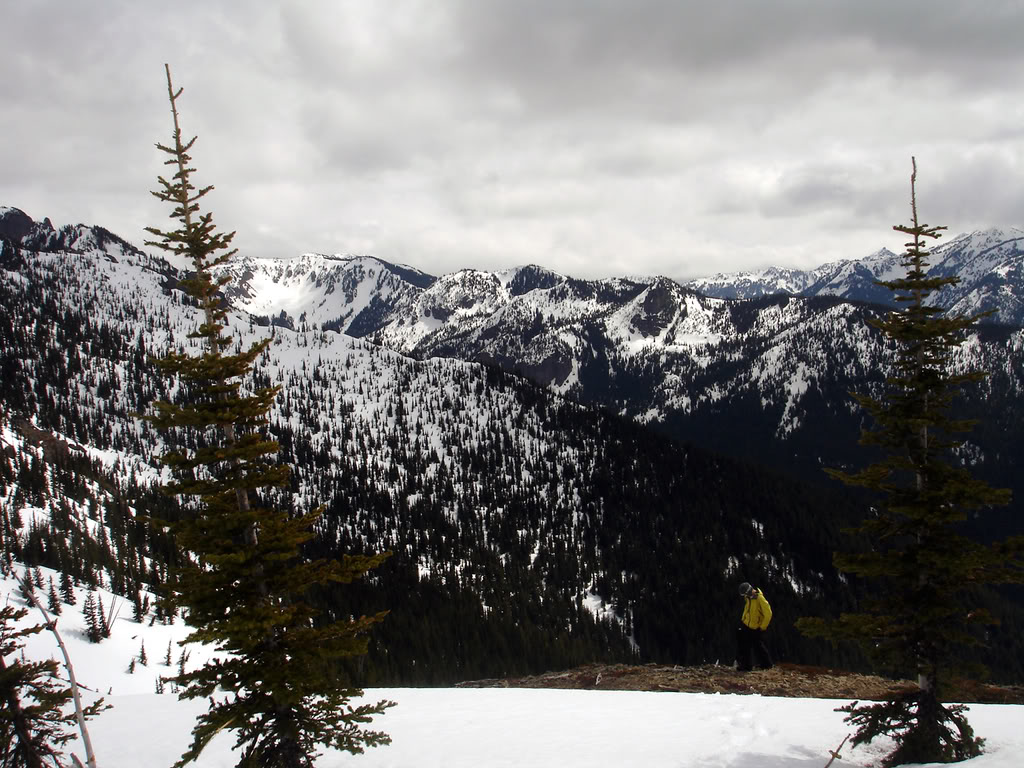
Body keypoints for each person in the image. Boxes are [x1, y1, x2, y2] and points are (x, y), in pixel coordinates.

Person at [736, 581, 773, 671]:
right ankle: (748, 665)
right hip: (746, 625)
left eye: (745, 594)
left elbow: (768, 613)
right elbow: (748, 609)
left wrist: (763, 627)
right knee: (746, 646)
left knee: (757, 646)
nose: (745, 596)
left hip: (755, 627)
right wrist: (743, 619)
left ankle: (765, 664)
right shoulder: (748, 598)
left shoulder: (760, 598)